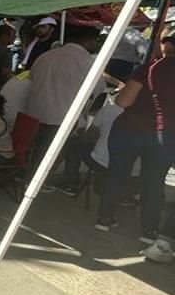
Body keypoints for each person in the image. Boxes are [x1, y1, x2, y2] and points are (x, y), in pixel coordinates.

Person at [96, 35, 175, 242]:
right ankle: (149, 231)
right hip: (165, 136)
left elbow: (124, 101)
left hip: (129, 130)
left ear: (168, 46)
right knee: (154, 183)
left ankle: (104, 218)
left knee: (117, 174)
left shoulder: (149, 68)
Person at [25, 25, 103, 166]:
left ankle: (28, 178)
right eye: (96, 40)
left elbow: (31, 79)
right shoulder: (86, 61)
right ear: (87, 40)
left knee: (37, 152)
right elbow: (98, 88)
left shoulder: (46, 56)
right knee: (53, 155)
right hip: (62, 116)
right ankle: (41, 183)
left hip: (35, 113)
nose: (97, 44)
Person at [55, 92, 134, 197]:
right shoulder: (152, 117)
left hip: (102, 162)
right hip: (131, 168)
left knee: (73, 142)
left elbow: (88, 137)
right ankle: (128, 195)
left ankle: (71, 182)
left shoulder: (109, 109)